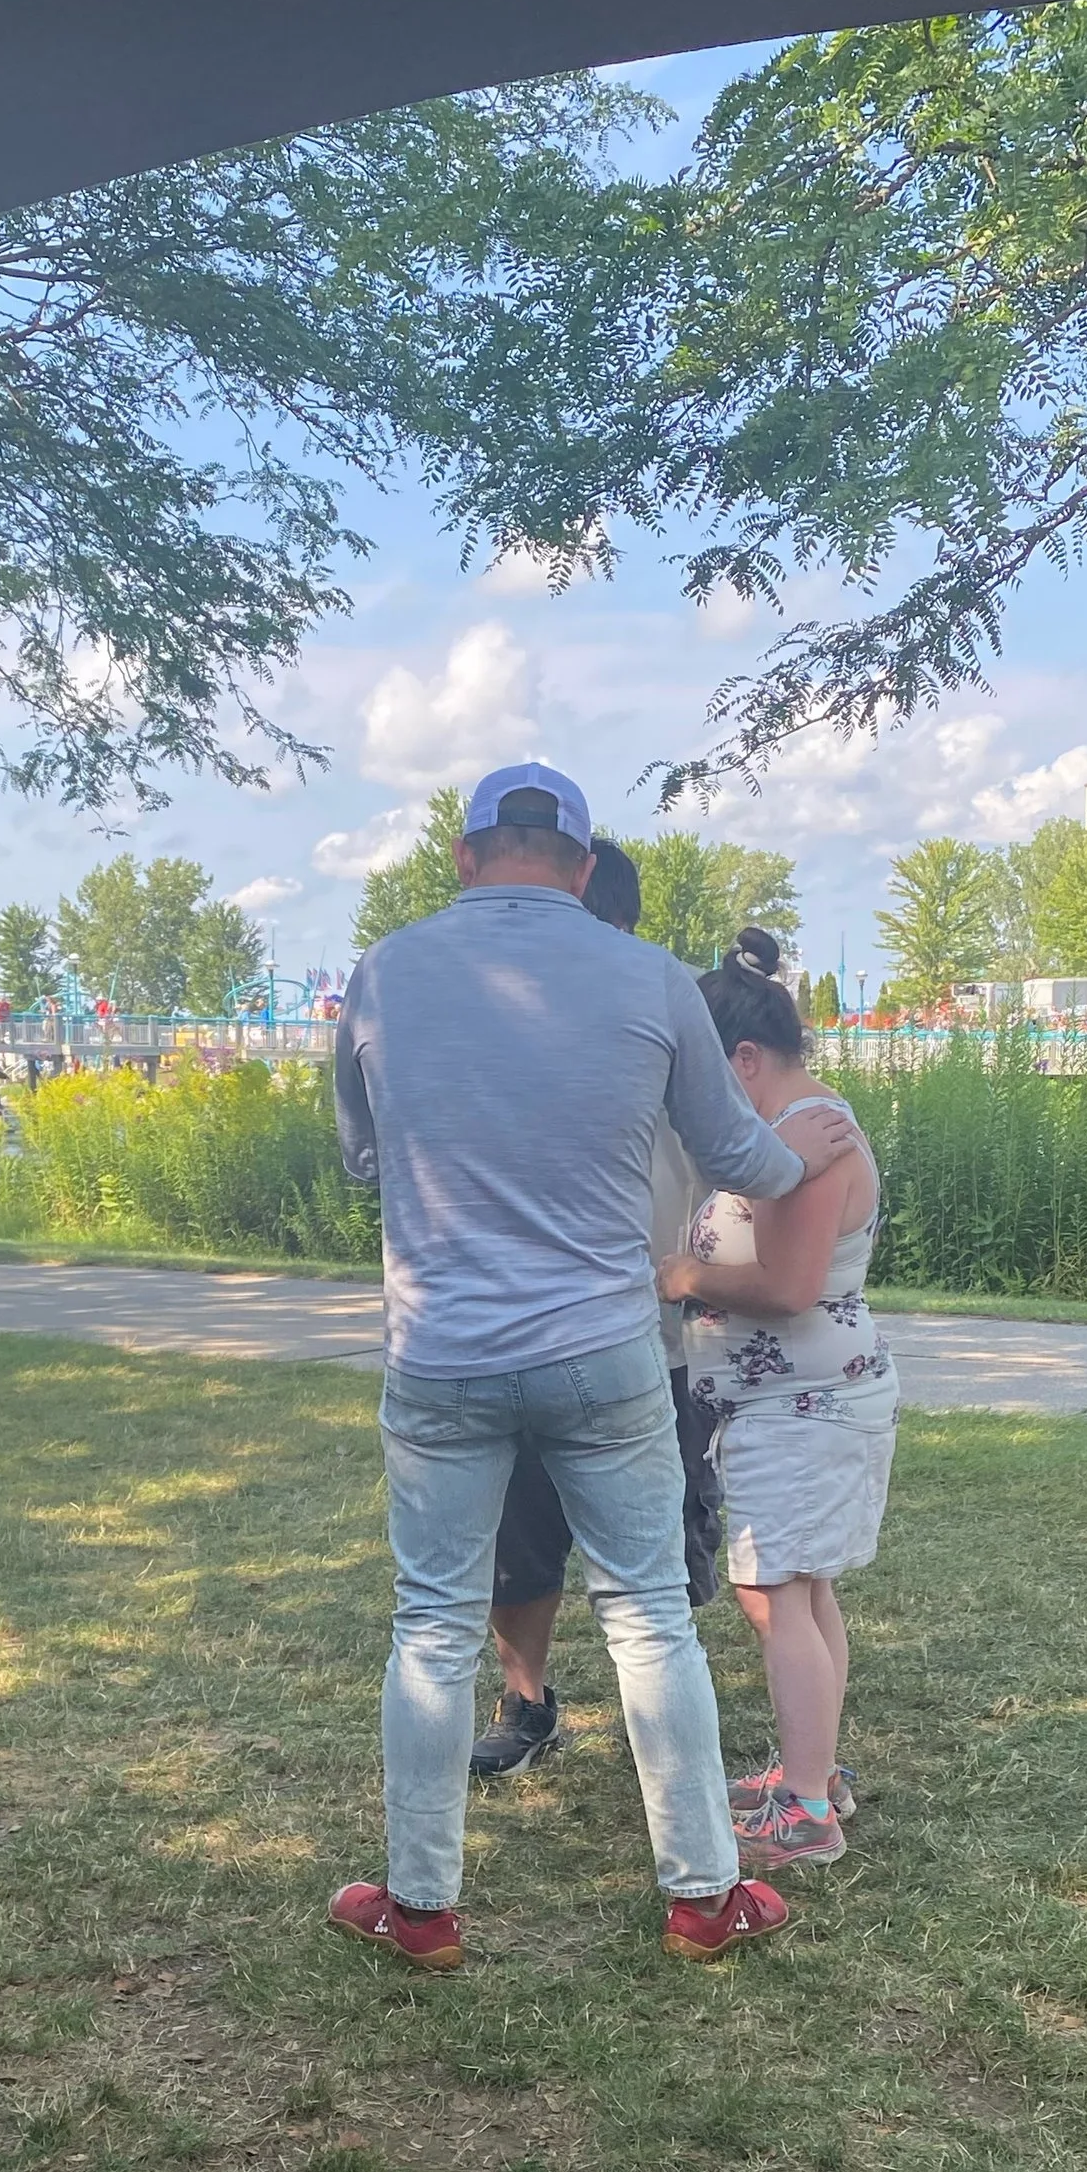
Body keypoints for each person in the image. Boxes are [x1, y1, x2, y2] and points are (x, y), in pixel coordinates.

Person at [328, 764, 860, 1971]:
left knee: (429, 1624)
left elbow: (362, 1153)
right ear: (579, 869)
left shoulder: (384, 970)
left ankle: (420, 1910)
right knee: (651, 1621)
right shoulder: (650, 976)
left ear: (461, 859)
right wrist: (804, 1147)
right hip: (604, 1346)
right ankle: (703, 1896)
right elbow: (734, 1151)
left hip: (442, 1352)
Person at [472, 836, 723, 1777]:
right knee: (522, 1539)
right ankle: (526, 1700)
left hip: (657, 1340)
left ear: (609, 919)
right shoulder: (514, 1036)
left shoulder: (663, 1010)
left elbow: (728, 1164)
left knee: (665, 1552)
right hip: (530, 1333)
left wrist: (707, 1279)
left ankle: (664, 1716)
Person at [659, 933, 900, 1870]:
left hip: (805, 1405)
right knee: (804, 1587)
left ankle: (805, 1810)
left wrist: (684, 1274)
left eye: (706, 1074)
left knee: (771, 1592)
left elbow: (791, 1284)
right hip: (798, 1400)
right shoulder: (791, 1129)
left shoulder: (812, 1138)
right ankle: (817, 1770)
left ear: (746, 1060)